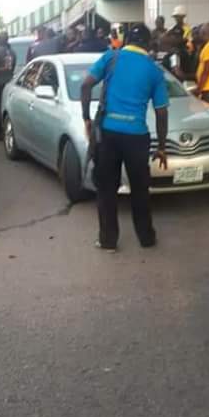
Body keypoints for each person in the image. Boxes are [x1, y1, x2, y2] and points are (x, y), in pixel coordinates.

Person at [80, 22, 169, 252]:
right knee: (140, 189)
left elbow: (86, 85)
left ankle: (108, 241)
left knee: (107, 189)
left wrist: (87, 119)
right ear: (148, 45)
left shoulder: (111, 58)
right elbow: (161, 112)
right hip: (137, 138)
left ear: (127, 40)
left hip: (108, 133)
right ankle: (146, 238)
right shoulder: (154, 70)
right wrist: (161, 146)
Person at [0, 31, 16, 133]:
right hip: (9, 82)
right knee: (6, 106)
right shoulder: (12, 52)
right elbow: (12, 67)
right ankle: (7, 127)